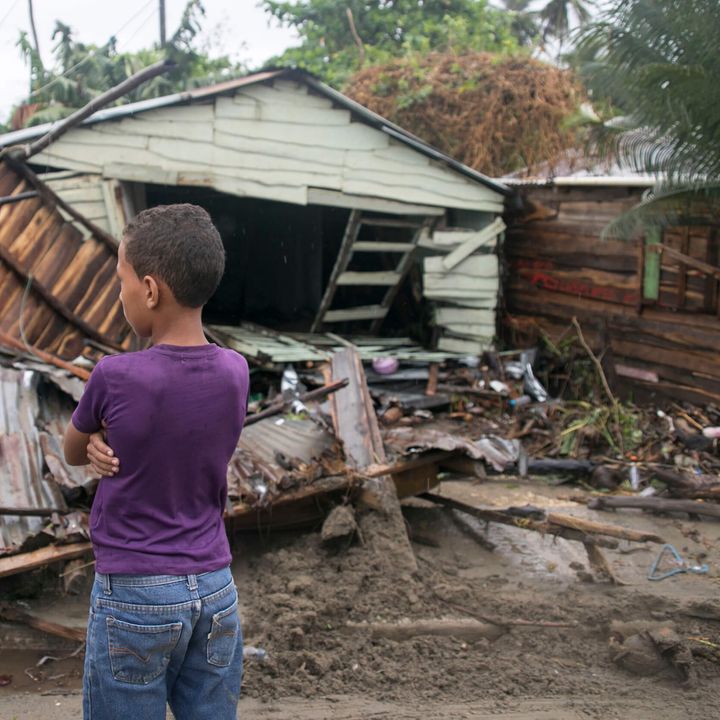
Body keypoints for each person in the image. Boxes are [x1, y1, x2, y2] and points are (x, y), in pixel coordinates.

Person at [64, 204, 249, 720]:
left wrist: (97, 438)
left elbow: (71, 450)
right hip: (215, 588)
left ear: (149, 290)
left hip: (135, 592)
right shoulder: (236, 371)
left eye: (120, 280)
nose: (119, 292)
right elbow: (187, 433)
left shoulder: (116, 376)